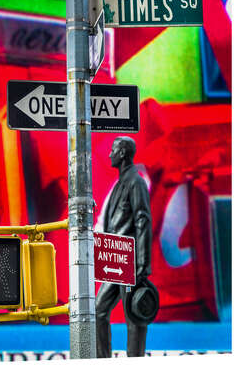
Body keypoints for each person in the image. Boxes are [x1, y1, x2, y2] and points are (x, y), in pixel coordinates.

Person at [96, 136, 152, 357]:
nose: (109, 154)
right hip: (115, 259)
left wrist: (142, 263)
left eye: (113, 150)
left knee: (134, 316)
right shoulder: (121, 182)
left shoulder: (135, 182)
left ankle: (134, 359)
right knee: (99, 309)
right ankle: (102, 359)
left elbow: (142, 220)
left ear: (122, 154)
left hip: (129, 262)